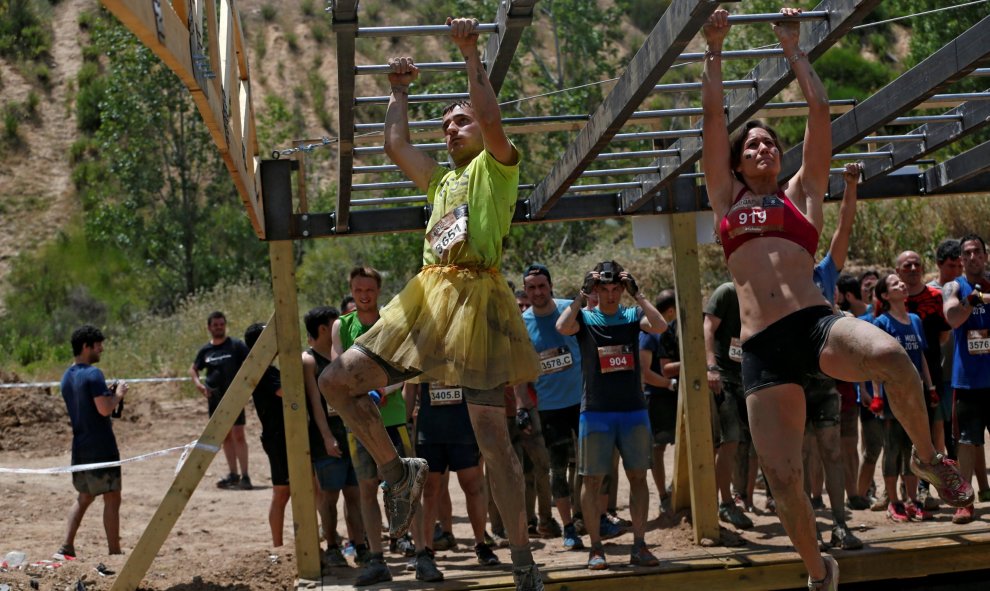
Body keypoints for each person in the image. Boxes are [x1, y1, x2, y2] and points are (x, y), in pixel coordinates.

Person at [701, 8, 972, 590]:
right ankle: (817, 570)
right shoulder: (725, 199)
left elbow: (821, 114)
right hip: (762, 350)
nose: (760, 149)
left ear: (782, 155)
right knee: (783, 478)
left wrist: (795, 49)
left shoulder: (803, 192)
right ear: (738, 162)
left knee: (893, 358)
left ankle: (927, 455)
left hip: (815, 323)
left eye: (768, 142)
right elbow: (711, 122)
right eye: (749, 145)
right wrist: (715, 51)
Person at [317, 18, 544, 590]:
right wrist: (398, 90)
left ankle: (522, 561)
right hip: (427, 296)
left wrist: (471, 56)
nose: (450, 130)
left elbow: (490, 117)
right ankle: (398, 471)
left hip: (478, 300)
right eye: (445, 125)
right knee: (336, 382)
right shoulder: (441, 183)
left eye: (457, 121)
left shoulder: (497, 166)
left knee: (493, 440)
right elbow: (395, 144)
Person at [556, 260, 666, 570]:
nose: (610, 294)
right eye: (604, 289)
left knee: (638, 477)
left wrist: (639, 294)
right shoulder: (587, 319)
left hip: (633, 410)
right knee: (592, 481)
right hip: (596, 412)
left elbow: (660, 327)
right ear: (596, 291)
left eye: (616, 288)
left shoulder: (632, 315)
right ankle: (596, 549)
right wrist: (581, 294)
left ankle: (639, 545)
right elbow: (562, 327)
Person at [330, 267, 433, 584]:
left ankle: (423, 556)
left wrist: (383, 390)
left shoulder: (391, 321)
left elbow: (407, 367)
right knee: (367, 489)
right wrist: (364, 390)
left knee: (408, 486)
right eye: (358, 289)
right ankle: (376, 558)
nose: (364, 295)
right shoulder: (341, 325)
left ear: (378, 291)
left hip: (392, 419)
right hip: (357, 422)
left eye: (369, 290)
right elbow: (338, 369)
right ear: (351, 288)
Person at [520, 263, 586, 550]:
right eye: (531, 287)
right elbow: (518, 373)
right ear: (526, 291)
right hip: (550, 408)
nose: (537, 292)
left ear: (550, 286)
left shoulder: (570, 310)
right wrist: (523, 407)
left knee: (592, 467)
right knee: (557, 470)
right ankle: (568, 527)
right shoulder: (522, 323)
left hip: (584, 403)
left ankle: (593, 517)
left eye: (542, 286)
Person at [410, 379, 501, 568]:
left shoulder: (465, 350)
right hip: (429, 431)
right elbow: (409, 389)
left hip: (463, 429)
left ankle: (481, 544)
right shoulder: (419, 352)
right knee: (429, 491)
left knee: (473, 486)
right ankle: (425, 550)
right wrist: (406, 425)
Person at [301, 306, 366, 568]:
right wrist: (327, 437)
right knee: (330, 496)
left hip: (351, 433)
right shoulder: (309, 360)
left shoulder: (342, 354)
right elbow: (315, 403)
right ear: (323, 329)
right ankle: (332, 547)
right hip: (326, 439)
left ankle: (361, 546)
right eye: (334, 323)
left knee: (355, 493)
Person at [57, 325, 126, 559]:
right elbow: (105, 409)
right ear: (86, 346)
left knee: (85, 496)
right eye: (98, 345)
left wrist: (105, 394)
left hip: (80, 446)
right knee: (112, 496)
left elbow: (88, 404)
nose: (102, 349)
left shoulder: (67, 375)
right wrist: (118, 395)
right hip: (101, 447)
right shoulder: (94, 374)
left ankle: (67, 546)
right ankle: (115, 551)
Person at [870, 275, 935, 523]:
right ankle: (894, 502)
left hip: (914, 398)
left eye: (900, 283)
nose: (901, 285)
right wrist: (877, 396)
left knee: (912, 450)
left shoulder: (916, 320)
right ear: (885, 296)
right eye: (894, 284)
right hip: (891, 398)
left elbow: (922, 357)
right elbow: (874, 363)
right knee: (893, 448)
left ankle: (912, 501)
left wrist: (930, 387)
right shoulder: (881, 322)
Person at [896, 249, 952, 510]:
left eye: (917, 264)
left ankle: (926, 488)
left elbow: (943, 337)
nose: (913, 268)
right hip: (898, 378)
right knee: (900, 433)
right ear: (898, 271)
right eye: (907, 265)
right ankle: (902, 492)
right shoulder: (890, 299)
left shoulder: (936, 297)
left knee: (933, 432)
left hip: (932, 376)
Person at [942, 234, 990, 524]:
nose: (973, 257)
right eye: (967, 253)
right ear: (961, 259)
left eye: (978, 252)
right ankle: (965, 502)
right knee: (967, 443)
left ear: (985, 256)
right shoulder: (954, 286)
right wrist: (971, 300)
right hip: (968, 382)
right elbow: (952, 318)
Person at [703, 282, 754, 530]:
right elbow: (708, 328)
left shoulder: (763, 294)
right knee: (729, 440)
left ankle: (741, 497)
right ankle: (723, 503)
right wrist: (711, 367)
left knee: (747, 444)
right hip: (723, 377)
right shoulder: (726, 291)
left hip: (749, 378)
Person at [189, 311, 251, 489]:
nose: (218, 327)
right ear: (209, 327)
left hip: (234, 398)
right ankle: (233, 474)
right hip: (214, 399)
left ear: (225, 325)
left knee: (239, 435)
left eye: (221, 324)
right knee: (225, 436)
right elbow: (193, 369)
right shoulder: (205, 350)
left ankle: (246, 476)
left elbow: (250, 364)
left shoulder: (236, 346)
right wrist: (199, 385)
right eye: (215, 325)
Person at [244, 323, 292, 547]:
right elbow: (285, 391)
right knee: (281, 492)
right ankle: (278, 546)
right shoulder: (264, 371)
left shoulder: (267, 370)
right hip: (276, 437)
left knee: (287, 491)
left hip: (282, 435)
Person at [639, 289, 678, 517]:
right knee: (657, 448)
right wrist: (669, 384)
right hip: (655, 397)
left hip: (669, 395)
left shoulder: (671, 331)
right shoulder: (649, 332)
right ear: (671, 310)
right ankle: (663, 495)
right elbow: (645, 372)